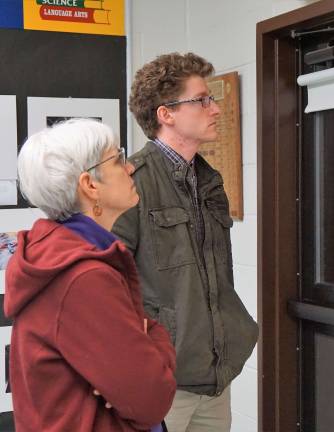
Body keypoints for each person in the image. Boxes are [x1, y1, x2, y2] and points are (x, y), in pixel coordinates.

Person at [112, 52, 258, 432]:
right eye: (202, 99)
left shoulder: (209, 180)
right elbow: (108, 285)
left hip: (214, 376)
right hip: (161, 382)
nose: (214, 109)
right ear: (166, 114)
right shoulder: (133, 183)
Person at [5, 119, 176, 432]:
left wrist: (143, 342)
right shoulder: (82, 277)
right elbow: (151, 398)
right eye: (119, 159)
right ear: (90, 185)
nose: (130, 168)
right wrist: (154, 342)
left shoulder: (65, 256)